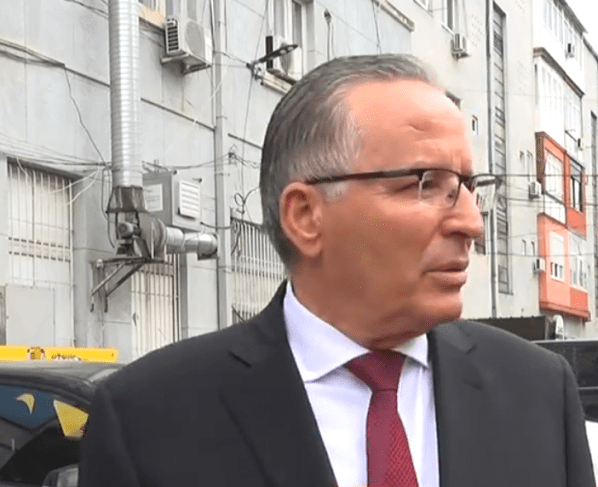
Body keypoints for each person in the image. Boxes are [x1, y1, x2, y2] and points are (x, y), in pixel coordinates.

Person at [78, 54, 595, 487]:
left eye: (468, 187)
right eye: (425, 183)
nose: (471, 223)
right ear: (306, 215)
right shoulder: (149, 417)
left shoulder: (537, 393)